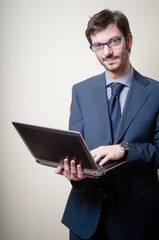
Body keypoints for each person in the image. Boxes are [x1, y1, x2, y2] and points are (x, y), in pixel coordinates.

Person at [55, 9, 159, 240]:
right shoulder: (80, 91)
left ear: (129, 40)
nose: (107, 52)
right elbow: (76, 149)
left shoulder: (156, 93)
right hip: (85, 214)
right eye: (98, 45)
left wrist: (123, 150)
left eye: (114, 41)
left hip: (136, 217)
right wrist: (74, 173)